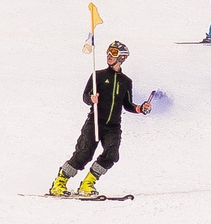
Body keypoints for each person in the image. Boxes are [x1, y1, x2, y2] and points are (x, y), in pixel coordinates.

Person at [47, 39, 151, 197]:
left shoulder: (126, 82)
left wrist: (140, 108)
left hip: (113, 127)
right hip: (95, 123)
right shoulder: (98, 76)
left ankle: (87, 184)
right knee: (83, 155)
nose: (109, 55)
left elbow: (128, 104)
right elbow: (85, 96)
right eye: (108, 52)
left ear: (122, 57)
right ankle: (59, 183)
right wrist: (91, 99)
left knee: (112, 155)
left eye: (114, 53)